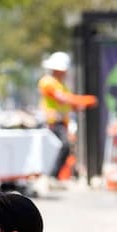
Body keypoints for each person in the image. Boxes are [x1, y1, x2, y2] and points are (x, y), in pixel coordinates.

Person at [38, 52, 96, 183]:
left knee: (66, 147)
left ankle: (54, 176)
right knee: (63, 146)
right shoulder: (47, 82)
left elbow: (69, 104)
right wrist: (84, 100)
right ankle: (51, 176)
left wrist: (80, 104)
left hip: (62, 123)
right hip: (52, 123)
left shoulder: (61, 84)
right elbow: (63, 98)